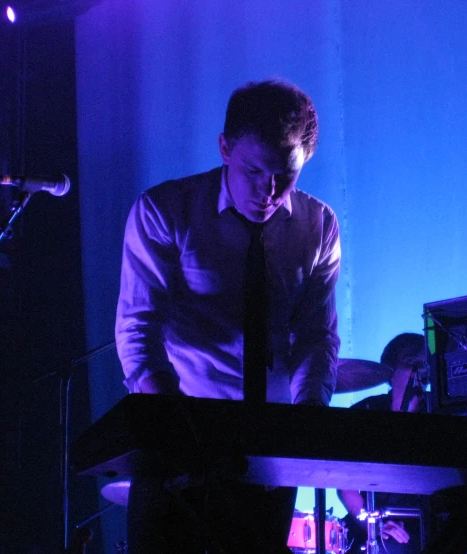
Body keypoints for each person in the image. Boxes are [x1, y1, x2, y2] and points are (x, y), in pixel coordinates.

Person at [115, 79, 341, 553]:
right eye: (254, 171)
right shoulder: (165, 212)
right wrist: (177, 431)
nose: (269, 191)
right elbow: (139, 330)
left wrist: (309, 421)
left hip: (272, 458)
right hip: (175, 452)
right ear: (224, 147)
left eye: (286, 176)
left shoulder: (318, 227)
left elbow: (316, 338)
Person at [337, 332, 428, 554]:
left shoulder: (440, 413)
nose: (419, 370)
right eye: (410, 362)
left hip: (426, 523)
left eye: (423, 363)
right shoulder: (365, 413)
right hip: (372, 521)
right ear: (389, 370)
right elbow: (344, 484)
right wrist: (373, 527)